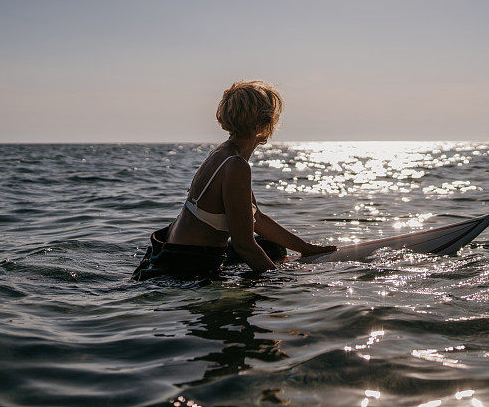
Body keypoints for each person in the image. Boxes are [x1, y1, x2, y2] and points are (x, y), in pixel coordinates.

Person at [132, 80, 336, 280]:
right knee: (269, 269)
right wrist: (282, 283)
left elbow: (256, 219)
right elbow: (243, 245)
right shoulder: (235, 165)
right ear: (263, 125)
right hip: (185, 266)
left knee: (272, 247)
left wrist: (306, 249)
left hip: (177, 251)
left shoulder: (225, 153)